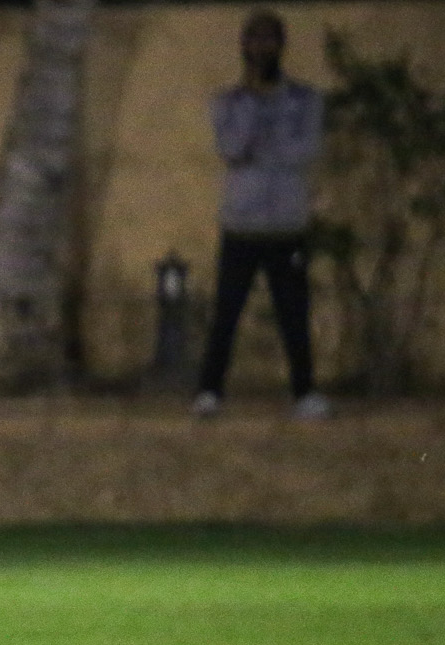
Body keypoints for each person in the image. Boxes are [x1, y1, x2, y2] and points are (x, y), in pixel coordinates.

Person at [192, 10, 329, 420]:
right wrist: (254, 107)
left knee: (294, 314)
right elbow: (232, 149)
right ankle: (209, 391)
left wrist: (265, 146)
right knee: (226, 313)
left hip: (287, 224)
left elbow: (305, 151)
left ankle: (304, 393)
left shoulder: (305, 100)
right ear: (243, 46)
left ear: (281, 45)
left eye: (269, 39)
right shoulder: (228, 102)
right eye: (254, 39)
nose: (262, 47)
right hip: (242, 224)